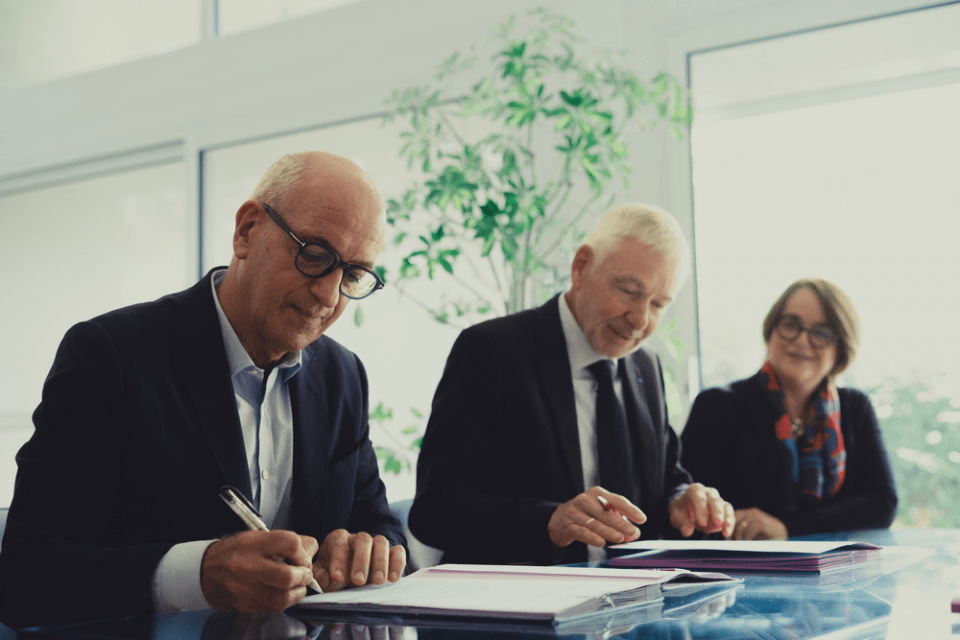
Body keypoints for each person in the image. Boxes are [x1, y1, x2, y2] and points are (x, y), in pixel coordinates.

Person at [0, 152, 406, 629]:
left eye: (353, 275)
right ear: (247, 231)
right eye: (314, 255)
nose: (330, 295)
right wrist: (198, 575)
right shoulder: (110, 355)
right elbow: (25, 574)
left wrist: (365, 549)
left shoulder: (342, 375)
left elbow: (379, 525)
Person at [409, 203, 735, 566]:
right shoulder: (492, 351)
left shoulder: (646, 365)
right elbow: (435, 509)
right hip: (521, 592)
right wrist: (549, 522)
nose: (641, 320)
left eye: (659, 304)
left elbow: (665, 481)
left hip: (633, 593)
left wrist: (682, 501)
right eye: (629, 291)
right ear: (581, 268)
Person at [680, 278, 897, 540]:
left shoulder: (855, 407)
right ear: (771, 331)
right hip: (738, 563)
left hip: (837, 565)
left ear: (841, 349)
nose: (802, 340)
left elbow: (882, 504)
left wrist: (786, 528)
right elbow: (688, 513)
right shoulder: (717, 406)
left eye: (821, 332)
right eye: (790, 324)